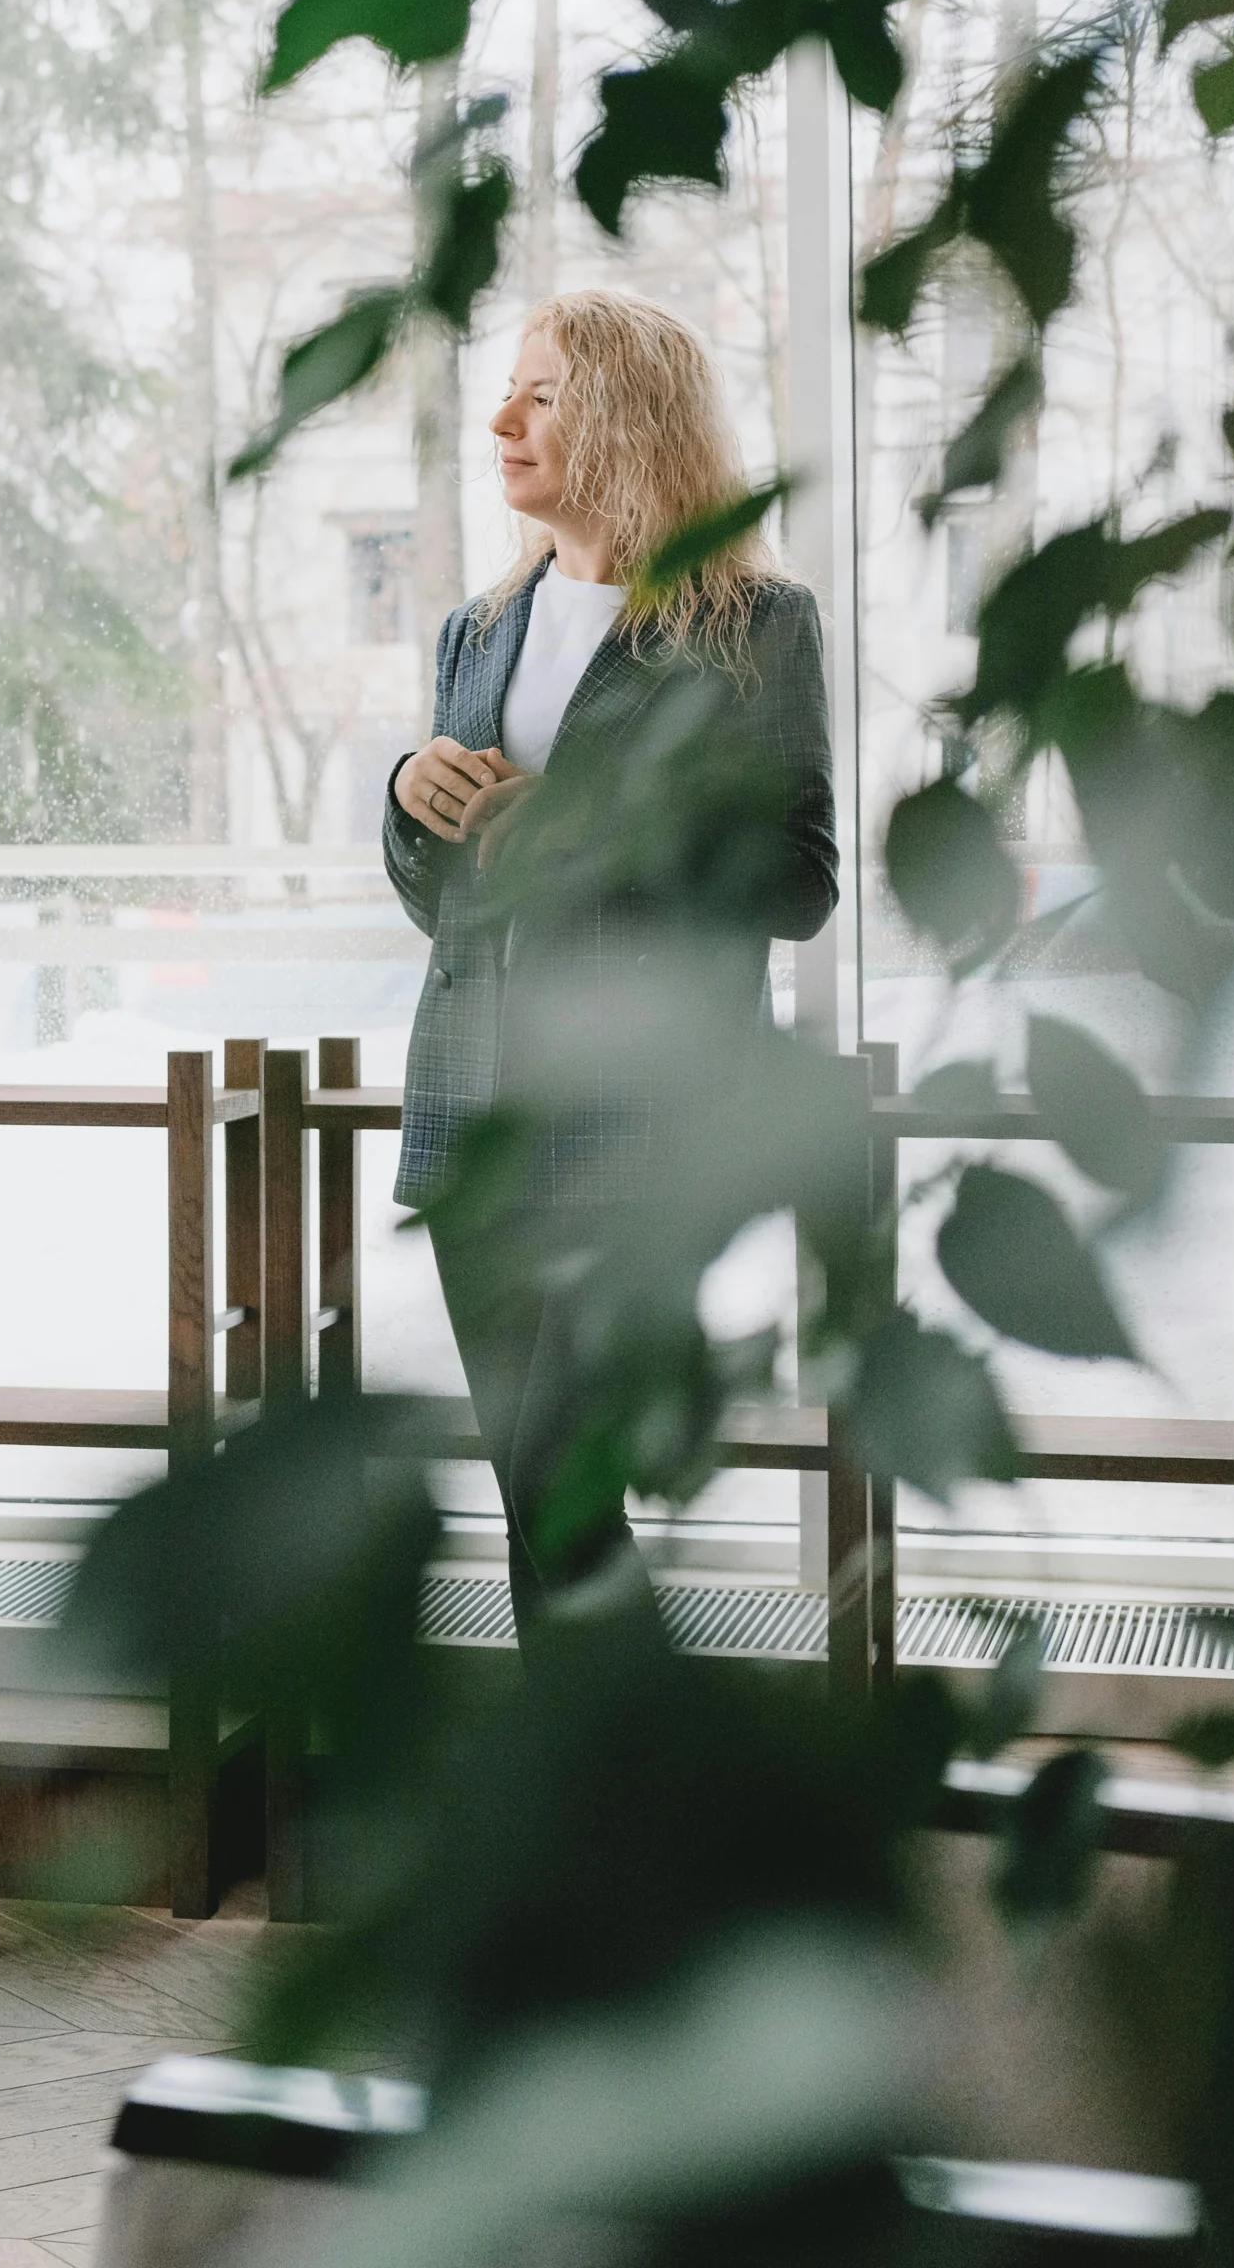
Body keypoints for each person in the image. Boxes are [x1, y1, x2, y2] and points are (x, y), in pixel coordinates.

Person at [383, 289, 838, 1640]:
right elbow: (443, 904)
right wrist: (410, 803)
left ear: (630, 423)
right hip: (475, 1119)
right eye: (506, 390)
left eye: (541, 394)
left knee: (564, 1497)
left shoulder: (755, 627)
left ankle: (625, 1827)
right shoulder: (478, 631)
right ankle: (618, 1830)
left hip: (641, 1126)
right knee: (543, 1498)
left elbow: (800, 884)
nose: (500, 416)